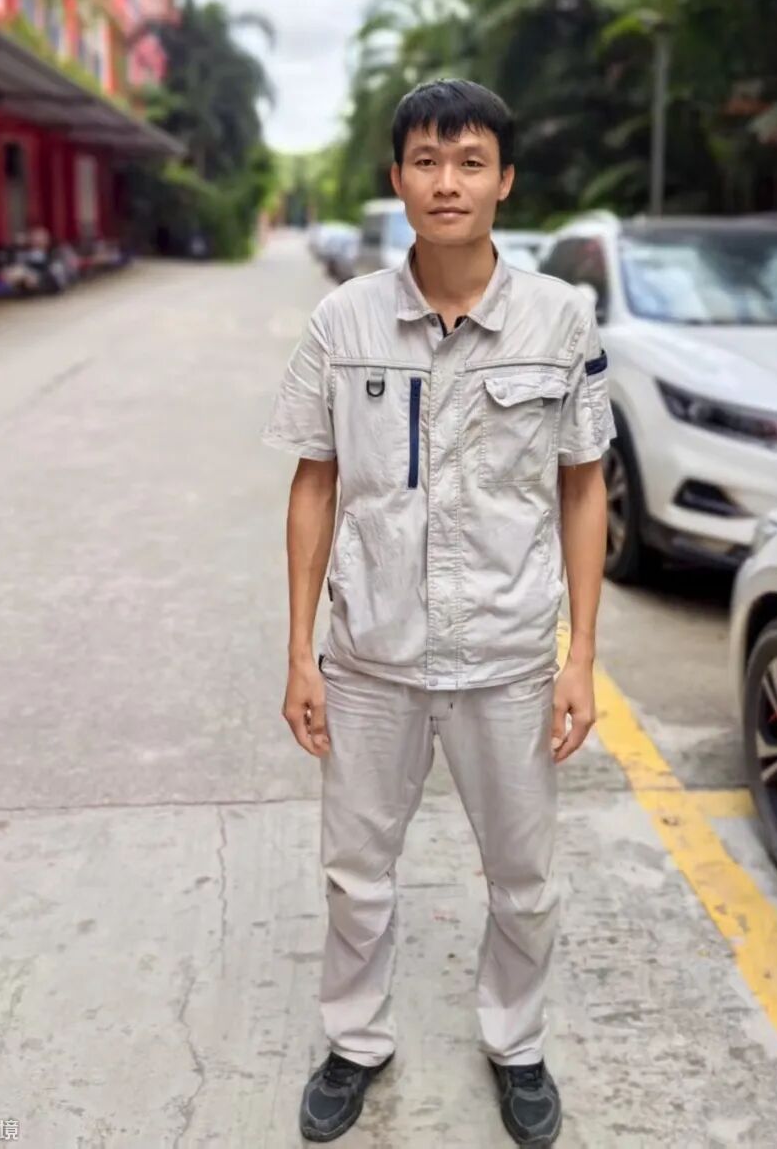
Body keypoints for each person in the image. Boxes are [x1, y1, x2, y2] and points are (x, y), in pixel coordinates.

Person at [261, 79, 613, 1146]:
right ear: (397, 177)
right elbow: (315, 482)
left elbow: (584, 486)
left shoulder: (561, 320)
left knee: (526, 877)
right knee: (355, 872)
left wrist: (581, 656)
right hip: (371, 657)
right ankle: (355, 1040)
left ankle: (517, 1042)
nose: (446, 181)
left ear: (505, 181)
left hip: (507, 657)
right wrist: (300, 653)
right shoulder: (344, 320)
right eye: (426, 160)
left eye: (469, 162)